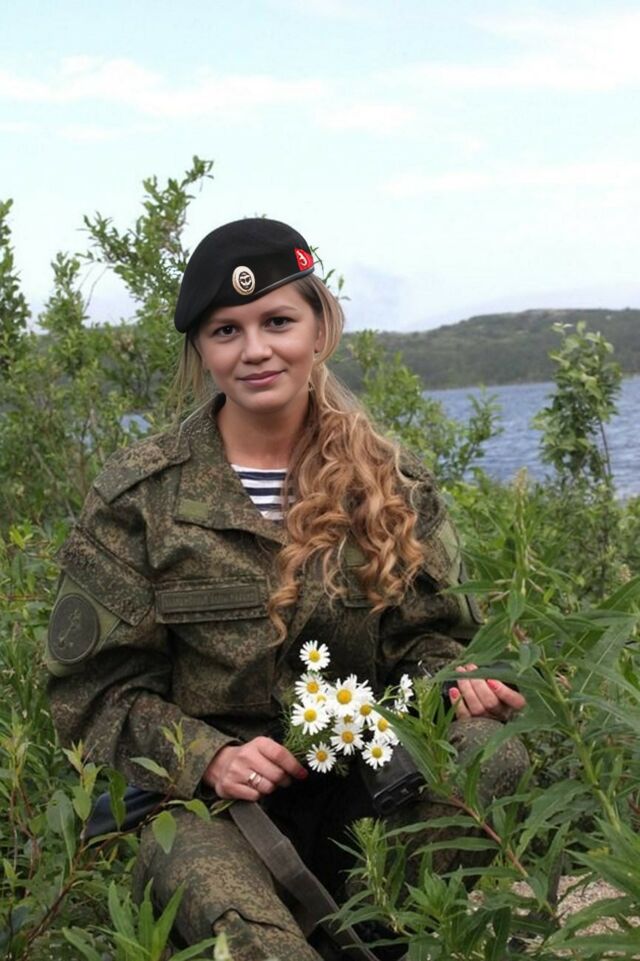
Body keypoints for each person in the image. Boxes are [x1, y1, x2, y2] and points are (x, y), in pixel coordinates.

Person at [47, 218, 528, 960]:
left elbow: (430, 638)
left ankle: (391, 927)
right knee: (245, 926)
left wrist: (459, 680)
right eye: (226, 331)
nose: (255, 349)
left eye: (277, 321)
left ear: (320, 328)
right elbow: (93, 692)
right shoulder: (140, 495)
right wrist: (207, 756)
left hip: (370, 786)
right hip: (212, 810)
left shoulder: (391, 484)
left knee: (491, 753)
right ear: (202, 350)